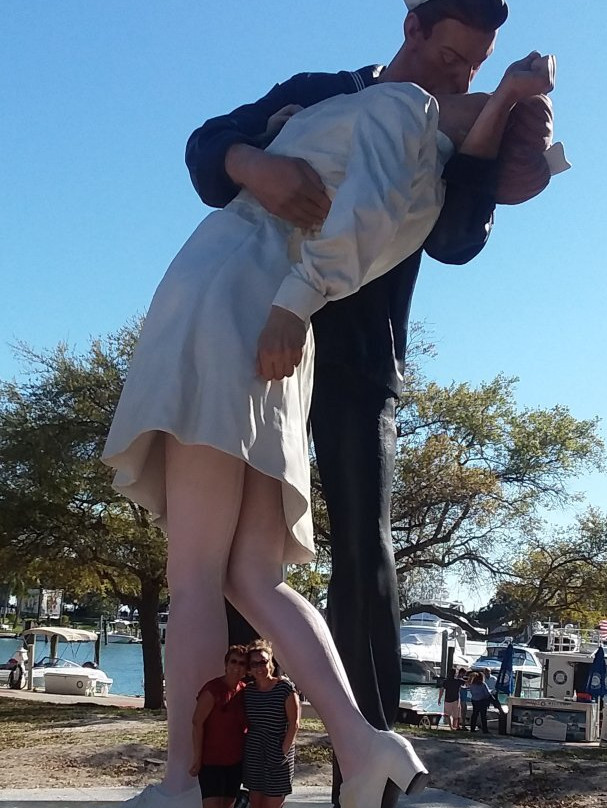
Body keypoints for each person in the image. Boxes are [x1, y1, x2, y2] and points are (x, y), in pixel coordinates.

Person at [104, 33, 558, 808]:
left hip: (236, 300)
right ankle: (364, 743)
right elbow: (219, 146)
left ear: (478, 123)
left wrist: (292, 279)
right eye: (464, 68)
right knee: (252, 576)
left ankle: (184, 783)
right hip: (284, 332)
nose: (464, 84)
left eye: (479, 88)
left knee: (197, 573)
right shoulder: (418, 170)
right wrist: (268, 151)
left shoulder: (401, 110)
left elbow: (374, 216)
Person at [184, 10, 510, 799]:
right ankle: (227, 776)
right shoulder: (324, 90)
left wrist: (495, 130)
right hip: (256, 345)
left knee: (365, 552)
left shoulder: (457, 128)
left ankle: (367, 781)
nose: (461, 73)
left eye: (475, 65)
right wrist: (251, 162)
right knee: (231, 556)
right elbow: (206, 150)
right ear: (413, 25)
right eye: (451, 53)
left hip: (360, 366)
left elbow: (456, 240)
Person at [190, 646, 249, 808]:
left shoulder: (246, 692)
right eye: (233, 661)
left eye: (242, 663)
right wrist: (197, 758)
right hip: (211, 762)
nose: (237, 666)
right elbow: (197, 723)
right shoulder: (212, 690)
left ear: (246, 669)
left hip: (235, 762)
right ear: (226, 664)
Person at [242, 641, 300, 808]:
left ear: (270, 663)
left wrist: (282, 753)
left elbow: (294, 724)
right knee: (256, 803)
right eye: (254, 664)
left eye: (263, 662)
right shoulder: (248, 691)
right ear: (249, 668)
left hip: (278, 753)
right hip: (254, 754)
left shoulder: (284, 688)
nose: (259, 667)